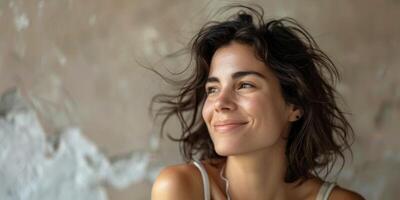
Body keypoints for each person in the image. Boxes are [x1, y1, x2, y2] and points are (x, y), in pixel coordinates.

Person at [150, 4, 365, 200]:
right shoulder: (180, 188)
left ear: (294, 105)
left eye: (245, 85)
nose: (220, 103)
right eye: (213, 89)